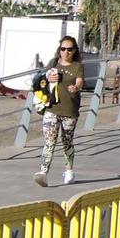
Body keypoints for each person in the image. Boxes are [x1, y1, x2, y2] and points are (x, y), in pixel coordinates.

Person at [35, 36, 85, 187]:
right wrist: (49, 77)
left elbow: (80, 81)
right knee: (49, 141)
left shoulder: (77, 66)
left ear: (74, 51)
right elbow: (42, 77)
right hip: (52, 108)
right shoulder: (53, 63)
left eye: (69, 49)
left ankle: (69, 171)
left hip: (70, 110)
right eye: (63, 49)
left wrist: (76, 87)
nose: (66, 52)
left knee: (66, 142)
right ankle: (43, 172)